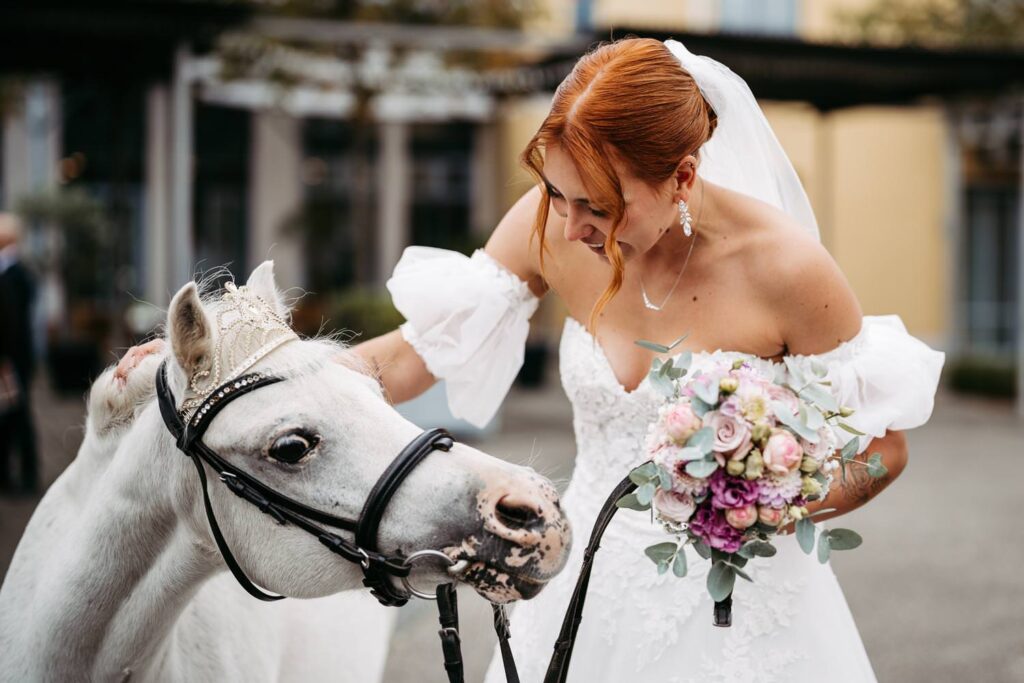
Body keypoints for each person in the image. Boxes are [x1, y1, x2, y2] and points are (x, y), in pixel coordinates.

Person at [353, 38, 944, 682]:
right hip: (578, 581)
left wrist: (769, 504)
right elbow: (420, 352)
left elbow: (883, 450)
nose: (571, 226)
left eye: (599, 207)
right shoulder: (550, 221)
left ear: (683, 176)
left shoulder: (787, 269)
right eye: (556, 192)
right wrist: (290, 374)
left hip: (738, 608)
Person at [0, 212, 39, 494]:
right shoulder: (16, 272)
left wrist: (6, 360)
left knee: (17, 414)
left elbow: (11, 323)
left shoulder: (12, 274)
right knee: (15, 414)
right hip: (16, 357)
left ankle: (25, 475)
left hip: (13, 358)